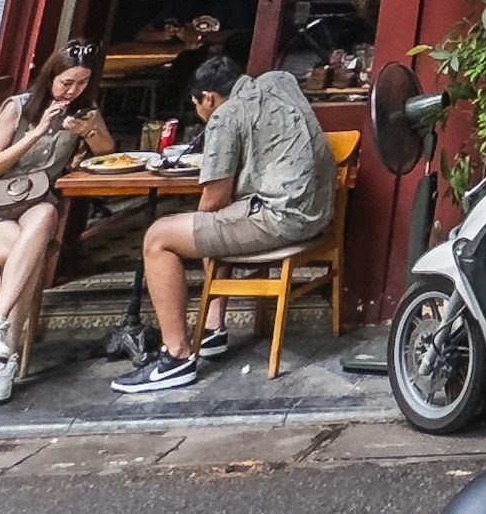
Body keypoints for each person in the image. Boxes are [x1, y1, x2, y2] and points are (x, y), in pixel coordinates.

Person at [113, 54, 337, 395]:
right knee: (214, 224)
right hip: (317, 210)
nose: (202, 113)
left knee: (160, 237)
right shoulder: (281, 81)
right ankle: (214, 328)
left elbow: (213, 200)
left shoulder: (224, 115)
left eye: (198, 106)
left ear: (208, 98)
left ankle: (176, 358)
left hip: (281, 218)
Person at [0, 40, 105, 406]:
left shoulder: (84, 111)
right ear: (50, 76)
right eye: (67, 83)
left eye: (82, 84)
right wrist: (36, 132)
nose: (73, 91)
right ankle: (5, 358)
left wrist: (88, 132)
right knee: (30, 257)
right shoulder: (17, 108)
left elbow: (106, 152)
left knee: (47, 215)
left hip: (33, 205)